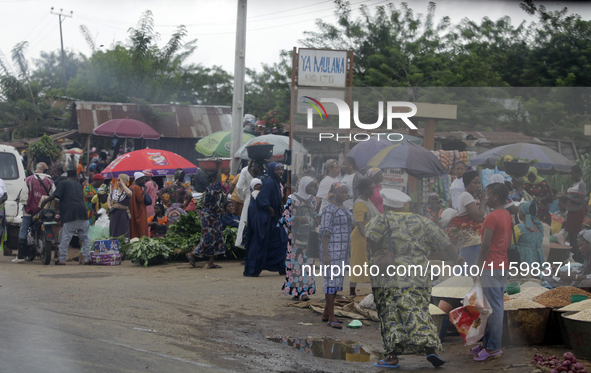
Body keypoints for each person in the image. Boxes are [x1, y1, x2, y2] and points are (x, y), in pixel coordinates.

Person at [365, 188, 462, 369]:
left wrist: (377, 251)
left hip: (391, 275)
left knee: (391, 313)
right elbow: (444, 242)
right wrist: (456, 258)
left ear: (385, 205)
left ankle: (392, 356)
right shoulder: (421, 221)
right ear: (405, 205)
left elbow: (370, 235)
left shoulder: (381, 219)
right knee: (419, 310)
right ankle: (431, 349)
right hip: (419, 275)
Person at [469, 182, 512, 361]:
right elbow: (507, 242)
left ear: (495, 197)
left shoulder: (491, 217)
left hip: (490, 266)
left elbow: (485, 245)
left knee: (494, 308)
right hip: (502, 264)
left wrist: (477, 267)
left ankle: (494, 347)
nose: (485, 198)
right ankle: (487, 343)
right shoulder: (507, 215)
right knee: (493, 306)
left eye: (488, 194)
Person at [244, 162, 288, 277]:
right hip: (270, 219)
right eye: (277, 169)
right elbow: (261, 198)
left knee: (281, 242)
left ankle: (280, 267)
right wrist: (270, 209)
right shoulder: (269, 182)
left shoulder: (277, 182)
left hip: (277, 219)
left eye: (280, 169)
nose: (279, 171)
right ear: (271, 170)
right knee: (267, 243)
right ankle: (253, 268)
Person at [318, 182, 352, 329]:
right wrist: (326, 255)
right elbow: (324, 232)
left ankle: (327, 312)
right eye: (341, 192)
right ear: (333, 193)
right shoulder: (328, 210)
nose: (344, 195)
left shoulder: (346, 209)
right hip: (331, 250)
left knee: (337, 281)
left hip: (343, 251)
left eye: (346, 192)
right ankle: (332, 316)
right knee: (331, 282)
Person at [279, 176, 318, 301]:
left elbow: (313, 214)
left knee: (308, 264)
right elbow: (285, 216)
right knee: (295, 263)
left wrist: (317, 218)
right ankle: (295, 291)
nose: (312, 188)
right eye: (310, 186)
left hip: (309, 235)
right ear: (303, 186)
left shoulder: (313, 200)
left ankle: (305, 291)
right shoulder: (292, 199)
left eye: (313, 186)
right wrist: (296, 218)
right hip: (295, 237)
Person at [41, 170, 92, 265]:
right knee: (85, 238)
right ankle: (87, 259)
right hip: (83, 212)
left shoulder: (62, 183)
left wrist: (45, 201)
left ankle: (62, 259)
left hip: (70, 213)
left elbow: (55, 195)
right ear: (76, 176)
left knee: (66, 238)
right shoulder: (78, 184)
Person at [187, 160, 225, 269]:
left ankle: (211, 262)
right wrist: (219, 167)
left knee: (216, 239)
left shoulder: (213, 188)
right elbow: (219, 181)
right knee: (208, 239)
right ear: (213, 179)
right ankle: (192, 254)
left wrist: (220, 209)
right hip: (210, 218)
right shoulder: (213, 187)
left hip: (214, 216)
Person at [15, 162, 55, 263]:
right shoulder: (50, 182)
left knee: (24, 229)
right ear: (45, 171)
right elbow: (54, 196)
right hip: (44, 212)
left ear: (36, 169)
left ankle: (20, 256)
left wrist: (25, 207)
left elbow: (24, 195)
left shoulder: (28, 180)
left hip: (30, 211)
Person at [446, 171, 486, 267]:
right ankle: (460, 281)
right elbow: (479, 217)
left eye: (479, 183)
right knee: (466, 265)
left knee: (467, 264)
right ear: (467, 184)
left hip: (469, 236)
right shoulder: (466, 196)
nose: (478, 186)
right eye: (474, 183)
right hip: (469, 237)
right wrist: (483, 201)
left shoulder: (468, 196)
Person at [349, 178, 379, 296]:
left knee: (370, 264)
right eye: (371, 189)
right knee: (357, 264)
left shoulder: (368, 201)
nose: (373, 191)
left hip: (369, 237)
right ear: (365, 189)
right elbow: (359, 223)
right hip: (361, 239)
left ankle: (374, 292)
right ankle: (352, 292)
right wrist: (367, 237)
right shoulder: (360, 203)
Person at [558, 164, 586, 262]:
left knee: (575, 238)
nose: (570, 176)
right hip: (571, 213)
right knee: (571, 237)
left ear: (577, 174)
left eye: (572, 174)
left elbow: (581, 201)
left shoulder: (581, 184)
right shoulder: (574, 185)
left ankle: (578, 261)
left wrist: (566, 197)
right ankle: (573, 259)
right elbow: (572, 200)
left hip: (577, 214)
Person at [235, 160, 264, 248]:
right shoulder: (263, 170)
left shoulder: (244, 170)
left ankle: (244, 245)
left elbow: (239, 187)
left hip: (248, 199)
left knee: (246, 222)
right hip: (261, 200)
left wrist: (244, 197)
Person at [512, 201, 544, 269]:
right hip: (537, 261)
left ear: (522, 214)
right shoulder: (540, 228)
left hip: (523, 261)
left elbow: (511, 246)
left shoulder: (519, 228)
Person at [108, 174, 132, 238]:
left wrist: (122, 183)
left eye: (120, 181)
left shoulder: (127, 191)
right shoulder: (115, 191)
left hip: (123, 214)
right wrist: (109, 206)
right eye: (118, 181)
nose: (118, 182)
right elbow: (109, 198)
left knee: (123, 230)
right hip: (114, 213)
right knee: (114, 230)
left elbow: (129, 193)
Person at [129, 172, 149, 239]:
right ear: (138, 180)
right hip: (139, 210)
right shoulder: (137, 188)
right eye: (143, 180)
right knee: (141, 227)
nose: (144, 182)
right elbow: (140, 199)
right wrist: (144, 191)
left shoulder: (131, 186)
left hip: (134, 210)